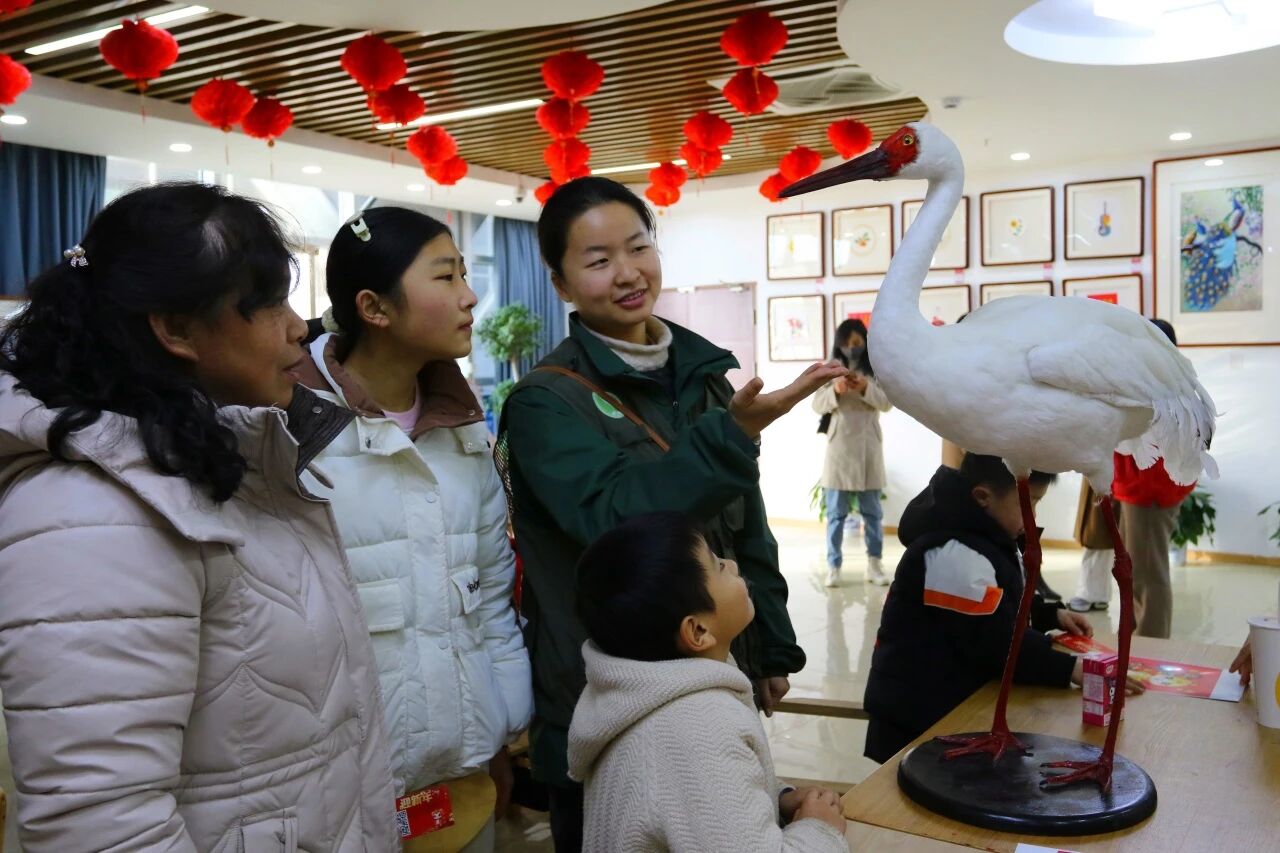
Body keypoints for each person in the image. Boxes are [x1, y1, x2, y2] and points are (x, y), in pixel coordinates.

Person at [0, 183, 397, 851]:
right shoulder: (92, 513)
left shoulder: (218, 458)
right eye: (268, 304)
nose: (298, 327)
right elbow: (103, 825)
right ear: (176, 329)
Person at [498, 176, 845, 852]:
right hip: (612, 700)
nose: (628, 273)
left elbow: (744, 525)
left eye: (638, 247)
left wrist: (768, 643)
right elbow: (616, 521)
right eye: (599, 260)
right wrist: (729, 437)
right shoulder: (545, 402)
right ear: (561, 282)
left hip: (708, 672)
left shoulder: (700, 374)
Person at [296, 208, 532, 851]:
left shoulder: (463, 427)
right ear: (374, 308)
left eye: (464, 273)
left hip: (457, 777)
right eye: (446, 276)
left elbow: (489, 595)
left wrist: (500, 725)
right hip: (336, 788)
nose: (470, 295)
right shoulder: (293, 426)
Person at [567, 512, 848, 853]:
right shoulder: (698, 727)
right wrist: (820, 829)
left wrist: (778, 798)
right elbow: (696, 775)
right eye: (717, 566)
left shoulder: (655, 688)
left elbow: (699, 798)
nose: (732, 564)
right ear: (698, 631)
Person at [863, 453, 1142, 763]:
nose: (1033, 516)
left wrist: (1050, 614)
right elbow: (995, 643)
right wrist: (1071, 669)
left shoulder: (984, 534)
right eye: (1028, 503)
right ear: (983, 497)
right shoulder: (953, 554)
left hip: (955, 705)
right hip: (918, 725)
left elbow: (1001, 598)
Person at [1113, 318, 1195, 638]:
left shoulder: (1162, 384)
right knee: (1136, 571)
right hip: (1140, 487)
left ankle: (1152, 645)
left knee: (1148, 575)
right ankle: (1138, 640)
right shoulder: (1168, 379)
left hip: (1148, 489)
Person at [813, 318, 892, 587]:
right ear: (839, 343)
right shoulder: (830, 368)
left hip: (869, 446)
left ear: (865, 342)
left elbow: (887, 404)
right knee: (835, 515)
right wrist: (836, 390)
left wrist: (866, 388)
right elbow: (817, 405)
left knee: (873, 514)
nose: (851, 347)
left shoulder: (877, 367)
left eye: (856, 342)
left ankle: (874, 565)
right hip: (840, 449)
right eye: (846, 343)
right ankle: (834, 566)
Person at [1068, 481, 1119, 612]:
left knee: (1098, 533)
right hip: (1100, 478)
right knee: (1101, 534)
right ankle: (1100, 595)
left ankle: (1089, 595)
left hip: (1107, 478)